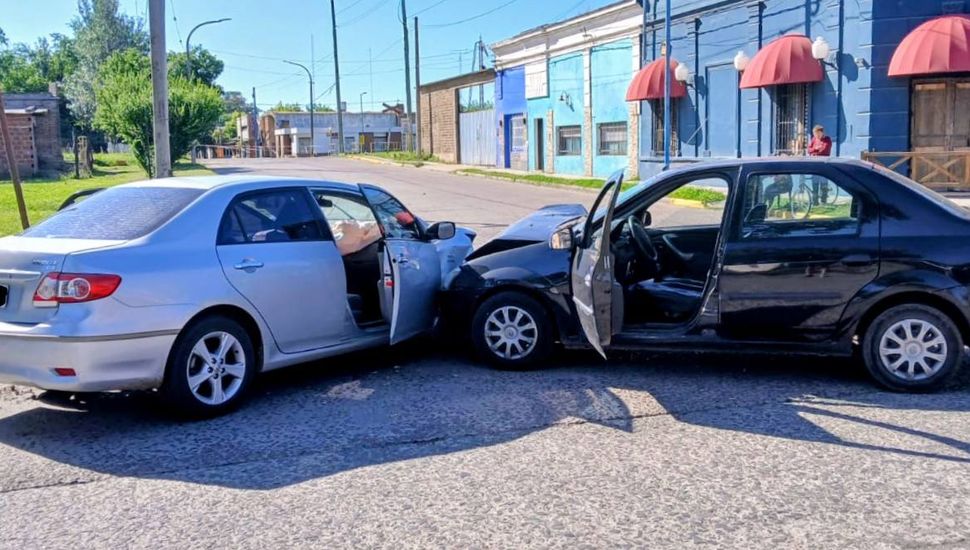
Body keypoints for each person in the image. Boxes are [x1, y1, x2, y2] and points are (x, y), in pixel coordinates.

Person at [808, 125, 832, 204]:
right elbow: (809, 149)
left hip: (824, 163)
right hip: (814, 164)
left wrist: (815, 152)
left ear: (822, 132)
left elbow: (824, 150)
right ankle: (815, 201)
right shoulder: (814, 139)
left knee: (823, 183)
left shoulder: (827, 139)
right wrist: (815, 149)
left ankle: (823, 200)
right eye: (815, 134)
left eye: (818, 134)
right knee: (815, 182)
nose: (816, 136)